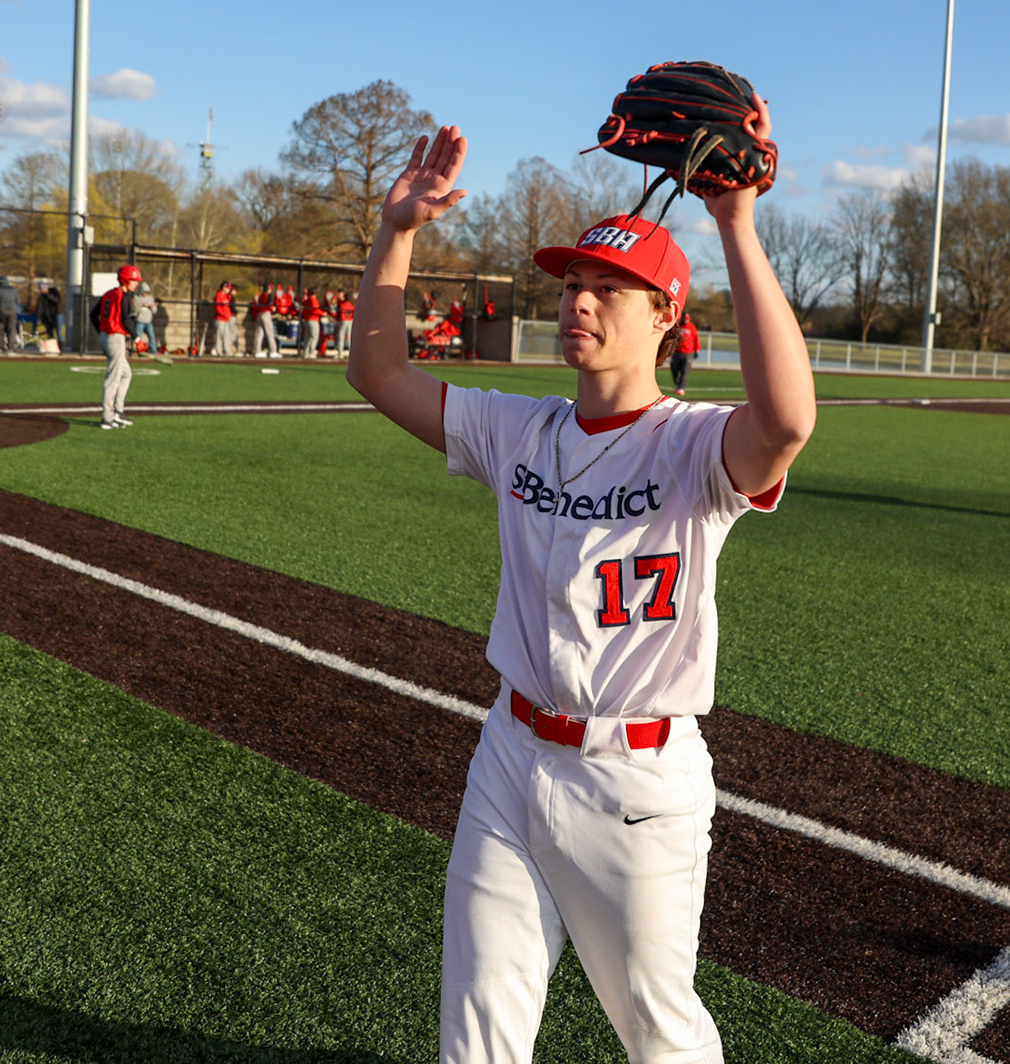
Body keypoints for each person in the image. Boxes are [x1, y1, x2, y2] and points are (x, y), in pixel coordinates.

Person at [348, 114, 812, 1063]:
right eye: (571, 285)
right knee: (475, 1035)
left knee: (659, 1035)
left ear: (666, 315)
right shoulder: (517, 430)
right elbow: (378, 371)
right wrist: (396, 233)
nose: (580, 302)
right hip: (509, 757)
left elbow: (786, 423)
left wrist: (736, 225)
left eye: (610, 288)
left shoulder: (694, 446)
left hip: (635, 785)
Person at [93, 264, 142, 429]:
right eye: (134, 280)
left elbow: (93, 314)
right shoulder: (125, 295)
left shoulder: (109, 293)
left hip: (106, 336)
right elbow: (126, 320)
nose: (137, 283)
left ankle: (118, 412)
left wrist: (102, 330)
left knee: (126, 374)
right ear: (125, 279)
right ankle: (107, 417)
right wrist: (137, 339)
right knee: (113, 379)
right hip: (115, 337)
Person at [0, 275, 22, 354]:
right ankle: (11, 346)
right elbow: (17, 301)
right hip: (12, 310)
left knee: (1, 327)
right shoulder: (14, 289)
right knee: (11, 328)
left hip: (2, 309)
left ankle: (0, 346)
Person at [670, 310, 700, 394]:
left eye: (687, 318)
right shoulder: (678, 326)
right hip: (677, 352)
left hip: (688, 353)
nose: (686, 320)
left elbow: (696, 339)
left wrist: (697, 350)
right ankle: (678, 384)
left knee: (685, 371)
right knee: (674, 369)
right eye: (685, 318)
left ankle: (681, 387)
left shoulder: (692, 328)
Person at [211, 281, 239, 357]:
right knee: (219, 335)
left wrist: (228, 315)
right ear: (223, 287)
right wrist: (224, 314)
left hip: (226, 319)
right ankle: (218, 351)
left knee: (226, 335)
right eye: (227, 288)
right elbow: (218, 308)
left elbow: (229, 305)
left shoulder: (226, 296)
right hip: (220, 318)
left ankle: (227, 351)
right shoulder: (219, 295)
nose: (229, 290)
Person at [248, 284, 276, 358]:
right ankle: (273, 351)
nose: (271, 290)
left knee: (259, 334)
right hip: (266, 313)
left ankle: (257, 351)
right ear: (268, 289)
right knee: (270, 333)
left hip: (259, 314)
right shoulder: (267, 295)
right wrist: (273, 308)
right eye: (270, 288)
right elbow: (269, 305)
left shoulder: (261, 296)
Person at [132, 283, 158, 354]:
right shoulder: (136, 297)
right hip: (139, 321)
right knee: (139, 338)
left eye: (147, 292)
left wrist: (152, 306)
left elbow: (155, 310)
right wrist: (142, 305)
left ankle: (153, 352)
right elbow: (135, 308)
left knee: (152, 337)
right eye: (144, 291)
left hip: (148, 322)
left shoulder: (150, 298)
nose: (145, 293)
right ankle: (140, 352)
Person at [35, 281, 62, 351]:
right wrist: (38, 317)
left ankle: (61, 347)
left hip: (57, 314)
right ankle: (53, 347)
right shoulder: (42, 296)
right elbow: (40, 307)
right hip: (48, 316)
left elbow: (57, 300)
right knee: (50, 332)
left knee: (58, 332)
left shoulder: (53, 291)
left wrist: (47, 294)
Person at [336, 289, 356, 357]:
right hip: (350, 321)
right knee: (349, 337)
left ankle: (340, 352)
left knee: (341, 337)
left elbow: (339, 313)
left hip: (343, 321)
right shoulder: (352, 306)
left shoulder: (342, 305)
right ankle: (351, 352)